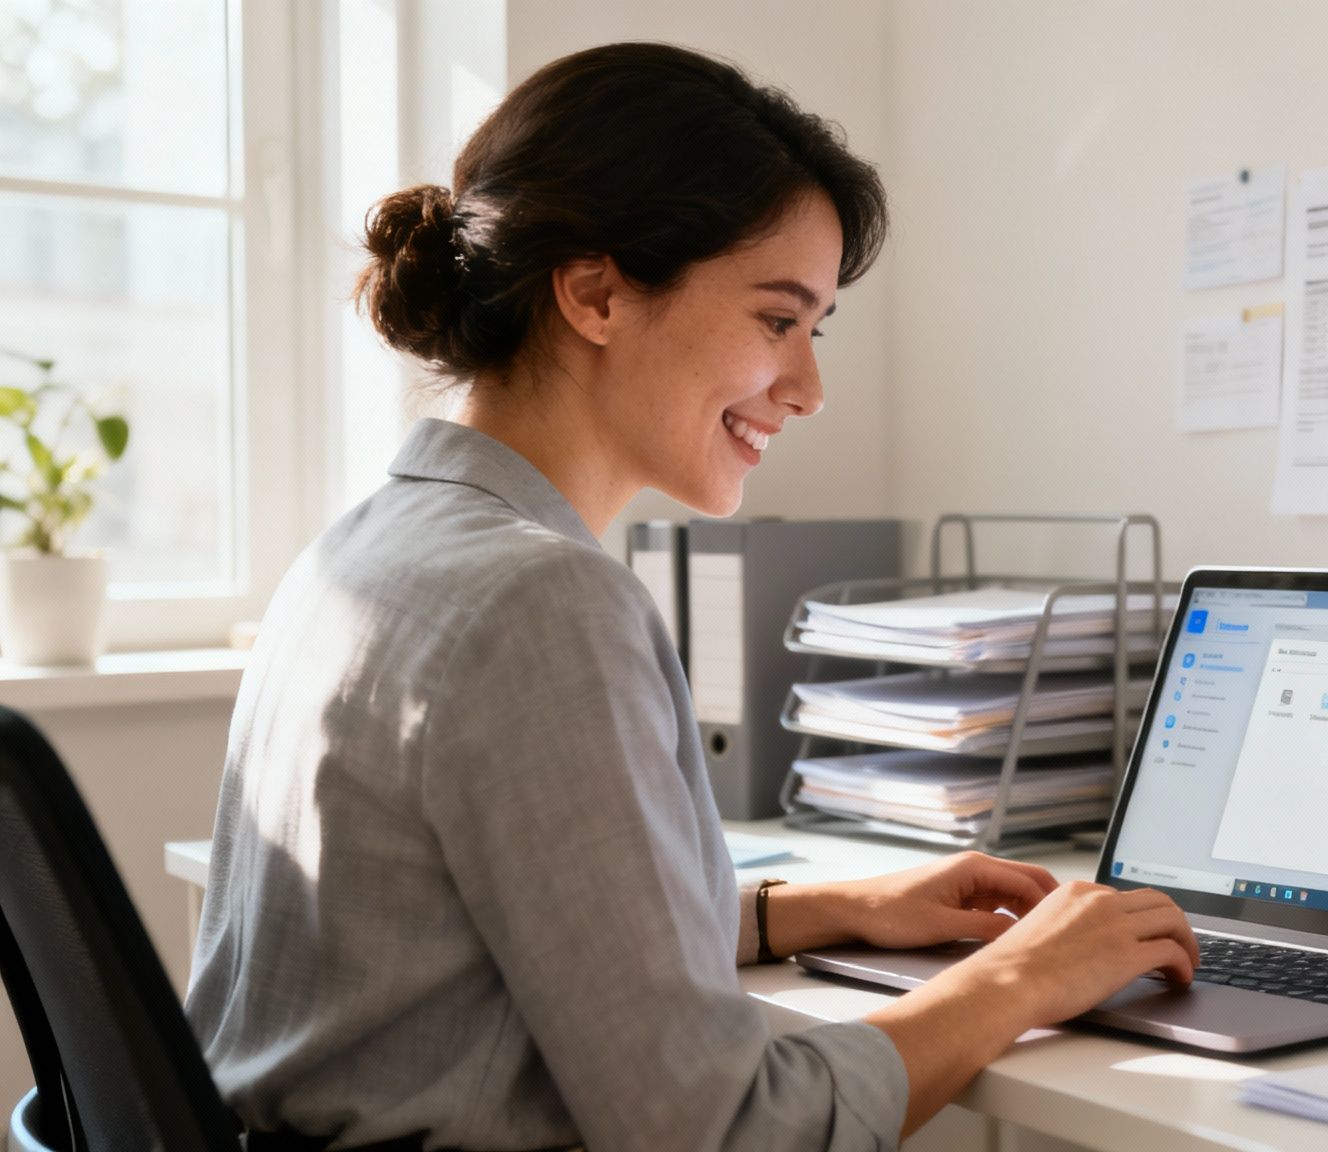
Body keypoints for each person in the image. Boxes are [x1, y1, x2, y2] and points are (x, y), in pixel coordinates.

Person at [185, 41, 1198, 1152]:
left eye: (815, 329)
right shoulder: (539, 604)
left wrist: (829, 908)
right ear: (595, 294)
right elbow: (723, 1130)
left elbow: (528, 936)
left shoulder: (365, 551)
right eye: (777, 321)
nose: (809, 389)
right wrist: (1020, 977)